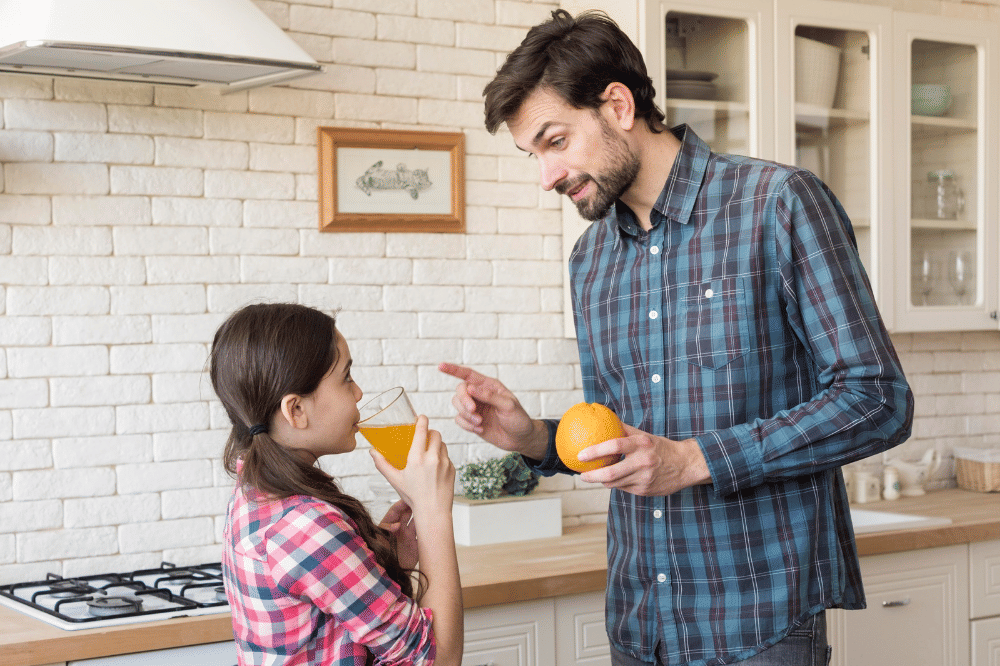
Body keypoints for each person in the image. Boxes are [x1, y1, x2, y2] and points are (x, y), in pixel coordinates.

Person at [441, 9, 913, 666]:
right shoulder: (591, 263)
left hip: (760, 621)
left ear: (617, 105)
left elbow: (879, 400)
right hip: (641, 622)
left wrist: (696, 459)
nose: (545, 175)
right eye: (534, 154)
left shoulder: (777, 205)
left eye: (555, 141)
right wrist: (533, 439)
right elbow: (616, 445)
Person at [209, 302, 462, 666]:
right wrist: (434, 510)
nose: (358, 392)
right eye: (346, 377)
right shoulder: (307, 526)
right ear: (296, 410)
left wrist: (385, 561)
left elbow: (332, 623)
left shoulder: (253, 495)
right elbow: (439, 659)